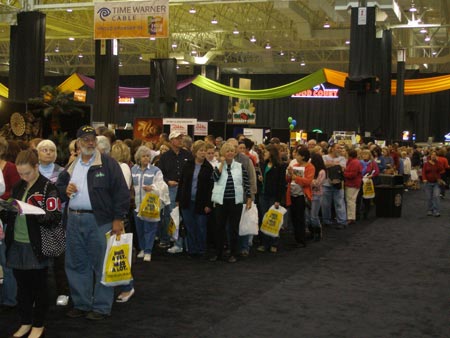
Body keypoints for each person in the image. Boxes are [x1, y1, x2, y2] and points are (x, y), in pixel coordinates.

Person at [56, 125, 130, 321]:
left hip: (100, 221)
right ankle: (81, 303)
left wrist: (118, 219)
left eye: (92, 139)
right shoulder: (72, 165)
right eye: (85, 139)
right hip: (73, 219)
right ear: (78, 143)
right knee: (76, 263)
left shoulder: (108, 164)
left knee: (102, 265)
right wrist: (66, 190)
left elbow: (121, 193)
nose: (90, 142)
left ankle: (101, 307)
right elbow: (59, 186)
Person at [4, 149, 62, 338]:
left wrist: (32, 211)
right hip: (17, 242)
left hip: (36, 244)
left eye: (27, 173)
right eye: (20, 173)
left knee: (39, 287)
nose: (23, 177)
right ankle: (25, 322)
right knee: (22, 289)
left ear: (37, 167)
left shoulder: (48, 187)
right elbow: (11, 212)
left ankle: (38, 324)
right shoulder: (18, 186)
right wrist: (4, 209)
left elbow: (54, 217)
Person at [36, 139, 70, 307]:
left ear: (56, 153)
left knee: (59, 259)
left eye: (51, 150)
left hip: (58, 220)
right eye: (44, 150)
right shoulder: (32, 171)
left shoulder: (63, 172)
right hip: (36, 220)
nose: (48, 152)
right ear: (38, 153)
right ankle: (38, 294)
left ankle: (63, 291)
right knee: (38, 260)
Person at [210, 143, 252, 263]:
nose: (230, 153)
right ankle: (218, 253)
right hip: (221, 202)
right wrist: (222, 164)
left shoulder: (240, 166)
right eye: (227, 151)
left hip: (235, 201)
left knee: (233, 228)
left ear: (234, 153)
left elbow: (246, 182)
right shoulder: (217, 165)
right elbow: (215, 178)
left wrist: (249, 197)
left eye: (232, 151)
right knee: (219, 228)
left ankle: (233, 253)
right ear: (223, 153)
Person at [176, 140, 214, 257]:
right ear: (195, 152)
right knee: (189, 226)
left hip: (202, 202)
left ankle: (201, 249)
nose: (203, 153)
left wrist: (209, 204)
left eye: (205, 151)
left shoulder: (209, 167)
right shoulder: (188, 164)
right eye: (201, 151)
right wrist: (178, 200)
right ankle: (192, 249)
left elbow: (211, 188)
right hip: (186, 201)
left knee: (201, 227)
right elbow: (181, 182)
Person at [158, 132, 193, 253]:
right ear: (171, 140)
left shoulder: (188, 155)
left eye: (181, 138)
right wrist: (168, 181)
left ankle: (186, 243)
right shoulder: (164, 156)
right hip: (171, 189)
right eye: (178, 138)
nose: (180, 140)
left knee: (186, 216)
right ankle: (175, 241)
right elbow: (159, 174)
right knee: (172, 215)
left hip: (185, 188)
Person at [132, 146, 167, 262]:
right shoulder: (133, 170)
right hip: (137, 205)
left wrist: (152, 187)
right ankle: (142, 249)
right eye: (143, 156)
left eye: (148, 156)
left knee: (150, 229)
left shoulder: (156, 170)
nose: (146, 158)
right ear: (138, 158)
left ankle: (148, 251)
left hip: (150, 205)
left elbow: (161, 186)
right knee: (140, 229)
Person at [0, 137, 20, 312]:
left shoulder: (11, 168)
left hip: (5, 219)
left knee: (5, 261)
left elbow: (16, 192)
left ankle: (10, 299)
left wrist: (2, 198)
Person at [256, 144, 285, 253]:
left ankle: (274, 243)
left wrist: (278, 199)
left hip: (273, 196)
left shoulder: (280, 166)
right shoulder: (263, 165)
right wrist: (261, 179)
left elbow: (281, 184)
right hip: (263, 194)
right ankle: (265, 243)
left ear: (271, 153)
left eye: (266, 152)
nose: (264, 154)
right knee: (264, 219)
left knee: (273, 220)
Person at [286, 146, 314, 247]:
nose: (295, 156)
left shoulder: (310, 167)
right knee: (293, 217)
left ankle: (301, 240)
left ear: (303, 156)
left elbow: (308, 181)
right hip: (292, 194)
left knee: (300, 218)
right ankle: (297, 238)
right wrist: (289, 174)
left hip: (302, 196)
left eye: (297, 154)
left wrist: (295, 177)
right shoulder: (295, 165)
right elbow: (288, 180)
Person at [321, 143, 347, 229]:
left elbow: (342, 168)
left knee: (339, 203)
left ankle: (342, 221)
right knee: (325, 204)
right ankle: (326, 221)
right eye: (338, 148)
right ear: (332, 149)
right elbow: (323, 166)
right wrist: (336, 164)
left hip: (338, 184)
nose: (339, 149)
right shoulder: (324, 157)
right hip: (325, 184)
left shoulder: (342, 158)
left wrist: (330, 164)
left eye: (341, 148)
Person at [305, 152, 326, 241]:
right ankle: (312, 232)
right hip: (309, 194)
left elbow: (317, 184)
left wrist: (308, 181)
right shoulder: (311, 170)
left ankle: (318, 231)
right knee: (308, 216)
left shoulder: (322, 172)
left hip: (317, 195)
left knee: (314, 216)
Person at [343, 149, 362, 225]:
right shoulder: (354, 161)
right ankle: (351, 217)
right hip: (353, 183)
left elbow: (352, 175)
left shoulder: (354, 162)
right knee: (351, 201)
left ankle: (351, 218)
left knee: (350, 201)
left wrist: (343, 173)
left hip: (352, 184)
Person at [422, 150, 443, 217]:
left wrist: (437, 162)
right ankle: (430, 210)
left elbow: (441, 169)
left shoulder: (438, 163)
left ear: (436, 156)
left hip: (436, 183)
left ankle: (436, 211)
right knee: (429, 197)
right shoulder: (426, 164)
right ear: (430, 156)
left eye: (435, 155)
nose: (433, 156)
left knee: (436, 196)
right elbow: (423, 172)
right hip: (428, 183)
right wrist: (424, 179)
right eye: (432, 154)